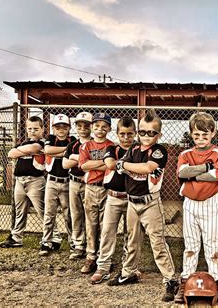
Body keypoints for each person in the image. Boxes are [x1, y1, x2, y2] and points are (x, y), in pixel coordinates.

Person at [108, 110, 178, 303]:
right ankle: (128, 272)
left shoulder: (159, 150)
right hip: (132, 202)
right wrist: (124, 164)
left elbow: (147, 168)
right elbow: (119, 165)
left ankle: (171, 279)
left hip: (150, 203)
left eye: (151, 133)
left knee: (157, 243)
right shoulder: (134, 149)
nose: (146, 136)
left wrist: (123, 165)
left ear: (159, 135)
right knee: (132, 240)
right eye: (143, 132)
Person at [174, 112, 218, 305]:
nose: (200, 139)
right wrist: (206, 168)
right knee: (190, 247)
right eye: (196, 135)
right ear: (191, 134)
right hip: (190, 203)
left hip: (211, 203)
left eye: (205, 135)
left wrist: (195, 173)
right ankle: (185, 282)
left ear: (213, 133)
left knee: (212, 246)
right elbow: (183, 172)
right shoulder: (185, 154)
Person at [90, 117, 136, 284]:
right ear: (117, 134)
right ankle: (102, 266)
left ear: (135, 133)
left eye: (129, 134)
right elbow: (109, 164)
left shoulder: (139, 150)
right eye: (122, 134)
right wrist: (129, 166)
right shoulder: (112, 148)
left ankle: (129, 267)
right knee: (108, 231)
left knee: (131, 234)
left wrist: (123, 166)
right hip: (113, 197)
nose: (126, 138)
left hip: (132, 199)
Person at [0, 116, 46, 248]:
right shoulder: (23, 143)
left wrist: (20, 152)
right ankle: (16, 237)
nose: (32, 131)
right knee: (20, 210)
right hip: (20, 180)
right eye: (30, 128)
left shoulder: (43, 142)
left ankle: (52, 236)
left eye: (36, 129)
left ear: (42, 129)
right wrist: (22, 151)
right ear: (26, 129)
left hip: (35, 181)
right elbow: (11, 153)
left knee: (42, 210)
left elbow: (34, 148)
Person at [78, 113, 114, 274]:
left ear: (109, 128)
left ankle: (103, 258)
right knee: (91, 223)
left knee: (105, 225)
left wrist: (98, 164)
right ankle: (91, 257)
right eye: (97, 126)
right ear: (91, 127)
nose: (100, 129)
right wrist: (104, 163)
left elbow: (112, 166)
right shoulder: (86, 146)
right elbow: (84, 165)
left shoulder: (111, 146)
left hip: (107, 187)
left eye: (104, 126)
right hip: (91, 187)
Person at [39, 114, 76, 256]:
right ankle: (46, 241)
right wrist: (66, 152)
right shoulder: (51, 138)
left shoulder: (72, 140)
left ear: (69, 128)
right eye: (58, 127)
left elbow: (73, 152)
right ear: (53, 128)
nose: (61, 129)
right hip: (52, 181)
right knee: (49, 213)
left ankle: (73, 241)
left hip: (67, 182)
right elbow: (48, 150)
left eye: (64, 127)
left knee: (69, 214)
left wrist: (58, 153)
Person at [63, 111, 93, 260]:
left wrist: (77, 159)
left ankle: (92, 245)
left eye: (86, 125)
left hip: (90, 183)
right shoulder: (72, 144)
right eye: (79, 125)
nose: (82, 128)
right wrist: (82, 159)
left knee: (91, 215)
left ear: (91, 127)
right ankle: (78, 245)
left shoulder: (95, 143)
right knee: (75, 214)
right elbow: (65, 164)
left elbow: (96, 165)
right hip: (74, 181)